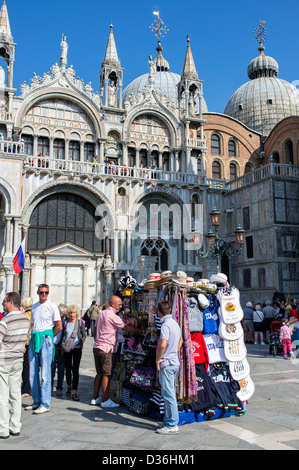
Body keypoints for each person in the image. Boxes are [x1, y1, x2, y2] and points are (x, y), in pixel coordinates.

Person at [91, 295, 143, 408]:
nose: (121, 306)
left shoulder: (101, 313)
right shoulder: (112, 316)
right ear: (113, 304)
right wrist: (140, 331)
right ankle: (105, 400)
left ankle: (95, 398)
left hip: (97, 347)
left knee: (99, 372)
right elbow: (125, 328)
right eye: (119, 304)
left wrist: (98, 340)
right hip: (107, 348)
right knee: (107, 374)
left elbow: (95, 330)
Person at [26, 284, 62, 414]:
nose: (44, 294)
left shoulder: (52, 307)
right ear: (37, 292)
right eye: (41, 292)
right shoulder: (34, 307)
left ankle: (45, 403)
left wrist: (49, 337)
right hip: (34, 338)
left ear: (48, 293)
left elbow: (59, 326)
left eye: (46, 292)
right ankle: (36, 401)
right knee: (32, 372)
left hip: (45, 338)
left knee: (46, 373)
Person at [0, 292, 30, 438]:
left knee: (2, 397)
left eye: (4, 301)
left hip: (4, 361)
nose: (3, 304)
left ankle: (3, 429)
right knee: (15, 395)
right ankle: (15, 426)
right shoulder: (25, 320)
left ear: (11, 303)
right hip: (18, 360)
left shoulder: (5, 321)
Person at [155, 300, 182, 435]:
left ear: (159, 312)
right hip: (174, 362)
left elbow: (163, 344)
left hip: (167, 363)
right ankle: (168, 420)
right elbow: (181, 339)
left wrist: (158, 358)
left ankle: (172, 424)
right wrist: (174, 352)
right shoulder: (175, 323)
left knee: (168, 393)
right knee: (169, 392)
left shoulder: (165, 325)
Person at [60, 305, 86, 401]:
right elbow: (62, 335)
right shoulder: (65, 322)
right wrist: (61, 348)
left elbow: (84, 335)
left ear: (76, 313)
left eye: (74, 313)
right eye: (70, 313)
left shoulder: (80, 323)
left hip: (76, 348)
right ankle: (69, 386)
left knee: (75, 369)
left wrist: (80, 343)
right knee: (68, 368)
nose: (72, 315)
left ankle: (74, 391)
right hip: (67, 348)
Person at [51, 303, 67, 396]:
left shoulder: (65, 322)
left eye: (63, 314)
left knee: (61, 368)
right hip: (52, 345)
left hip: (60, 347)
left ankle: (59, 387)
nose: (61, 315)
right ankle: (50, 386)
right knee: (51, 367)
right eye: (60, 313)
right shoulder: (53, 321)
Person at [21, 297, 34, 398]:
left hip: (26, 342)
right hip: (33, 341)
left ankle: (25, 388)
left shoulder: (25, 315)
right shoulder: (34, 313)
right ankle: (30, 387)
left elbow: (24, 330)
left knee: (25, 366)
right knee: (31, 365)